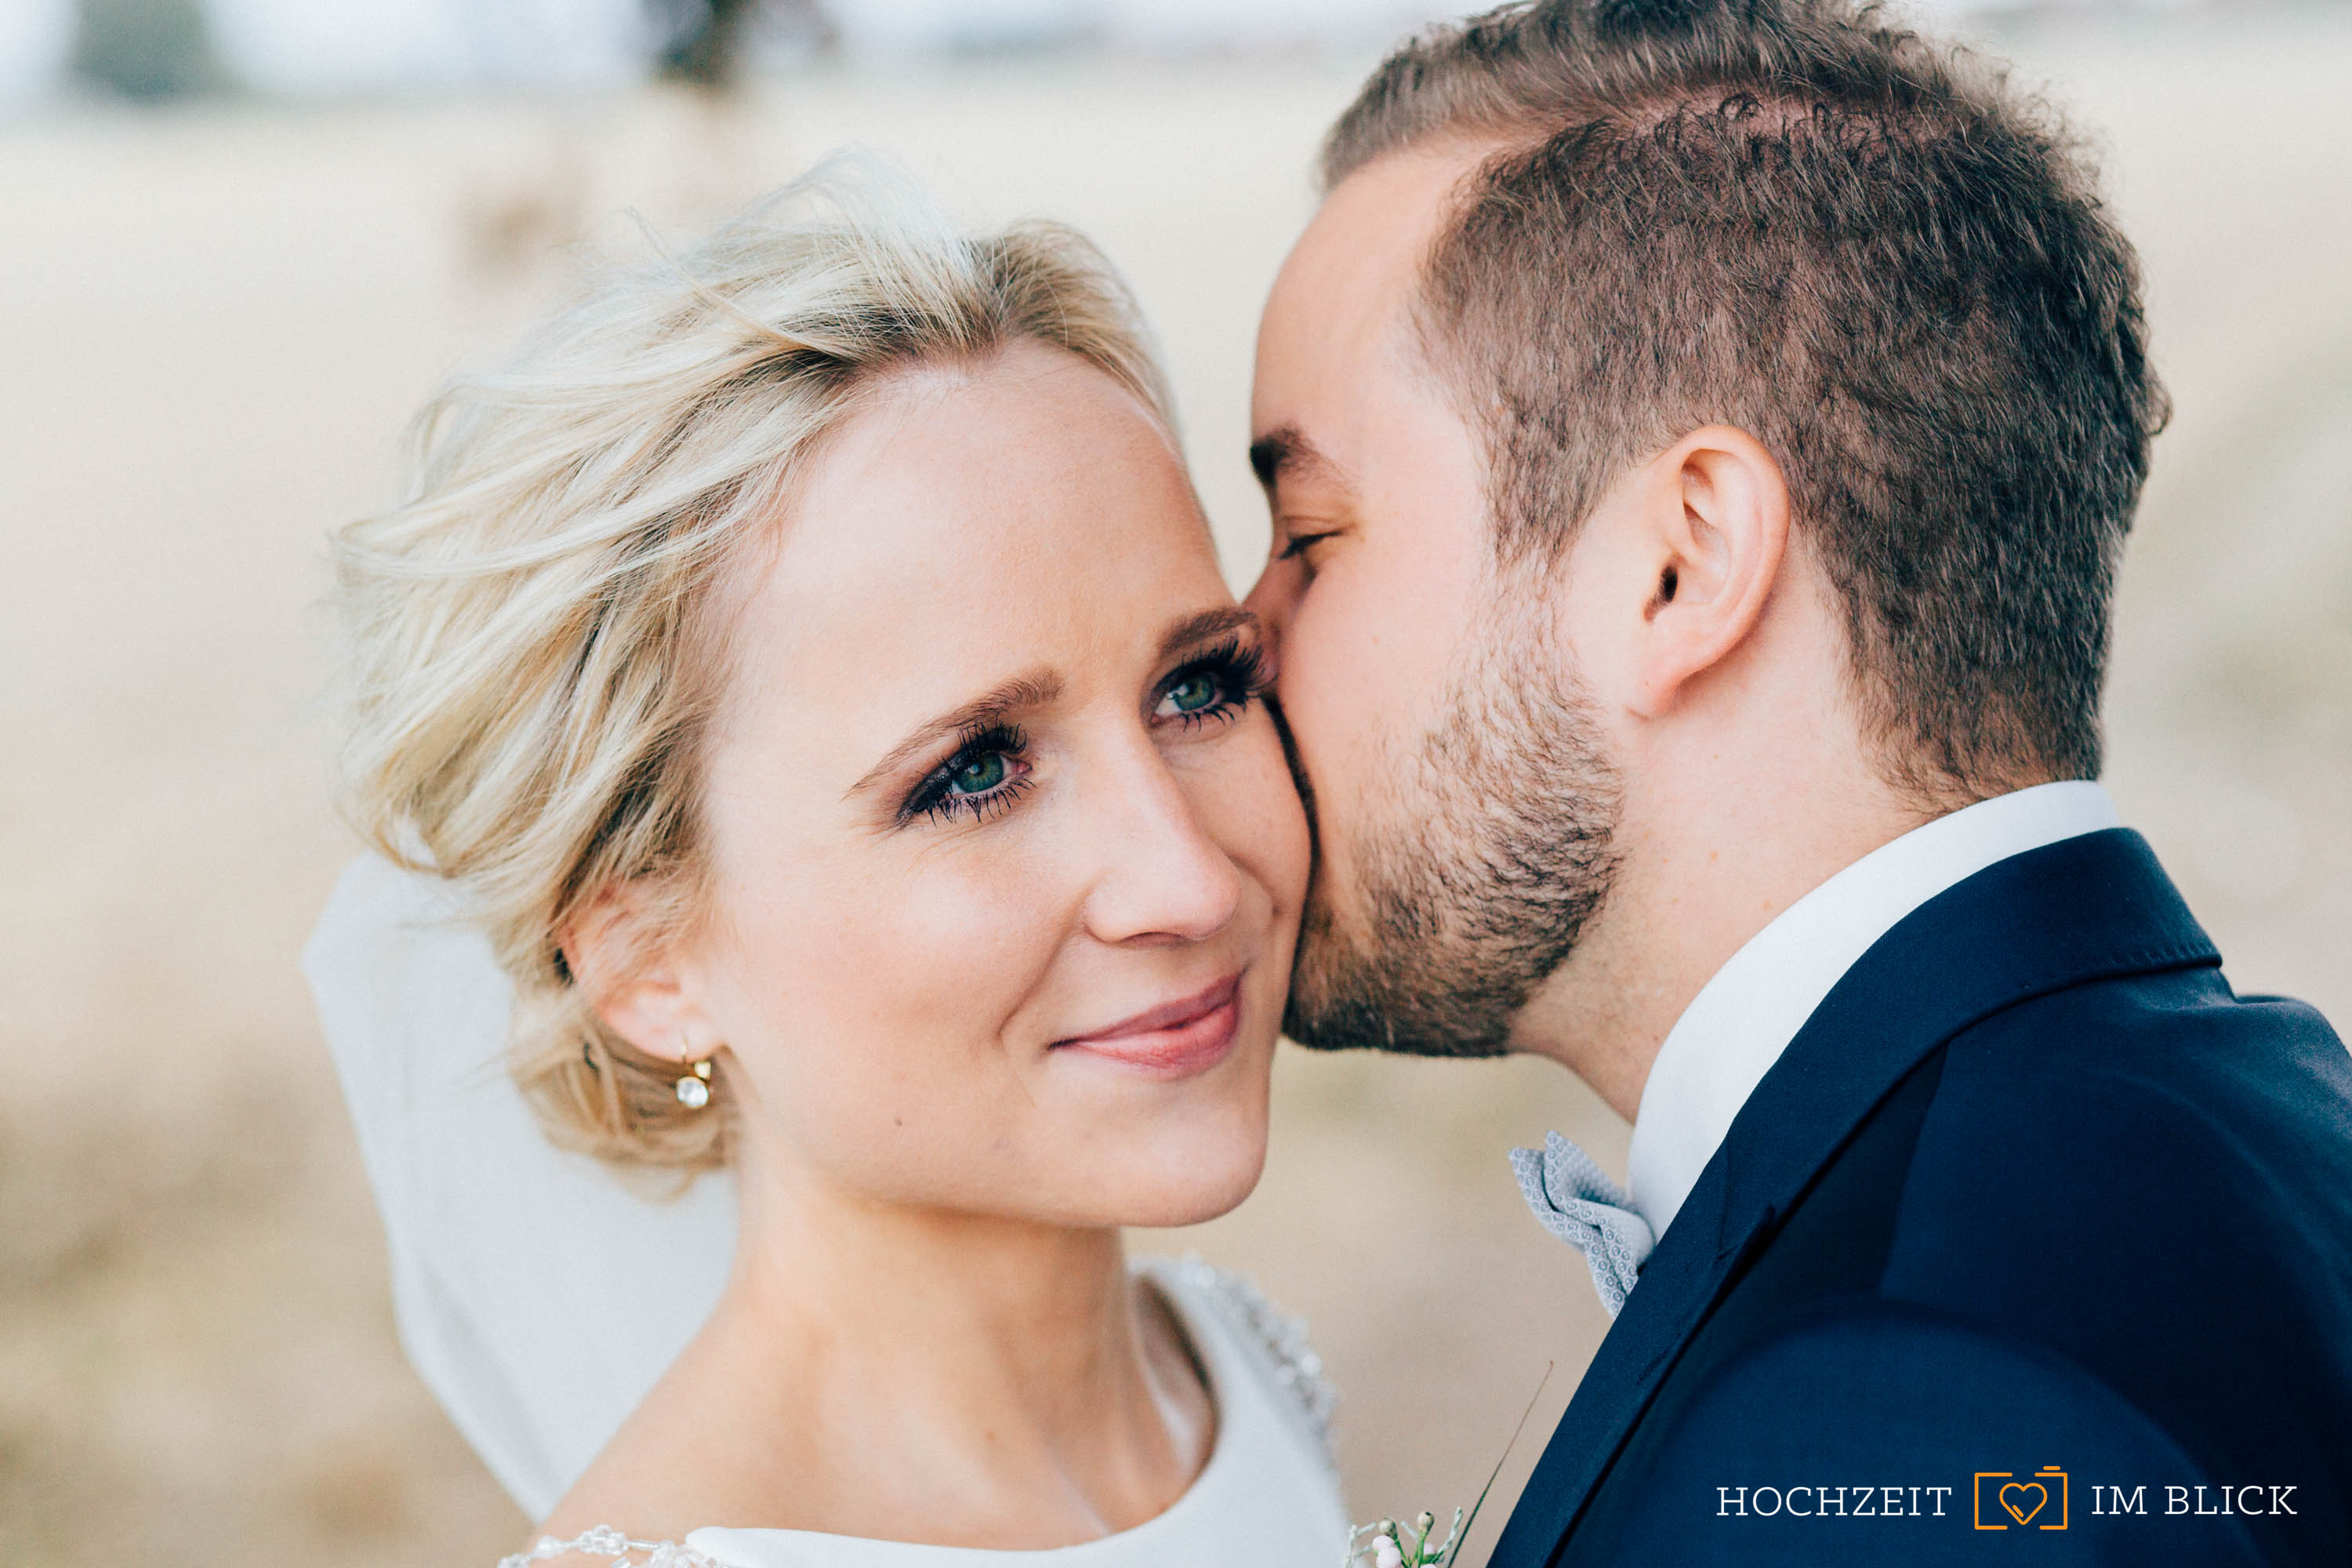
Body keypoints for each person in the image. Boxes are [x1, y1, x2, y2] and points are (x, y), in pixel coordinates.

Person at [1241, 0, 2352, 1563]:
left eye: (1309, 538)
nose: (1237, 646)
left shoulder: (1904, 1417)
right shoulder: (2272, 1120)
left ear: (1680, 566)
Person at [304, 165, 1346, 1566]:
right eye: (974, 772)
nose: (1192, 883)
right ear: (645, 962)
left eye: (1199, 687)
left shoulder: (1231, 1372)